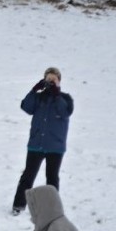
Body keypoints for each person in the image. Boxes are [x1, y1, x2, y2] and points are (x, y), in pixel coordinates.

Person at [12, 66, 73, 215]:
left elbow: (64, 112)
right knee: (28, 176)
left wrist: (57, 94)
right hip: (36, 145)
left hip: (55, 147)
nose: (51, 82)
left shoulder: (65, 98)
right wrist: (34, 90)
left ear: (59, 81)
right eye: (48, 79)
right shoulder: (39, 98)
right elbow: (26, 107)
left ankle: (53, 211)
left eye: (54, 79)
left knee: (52, 179)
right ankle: (18, 206)